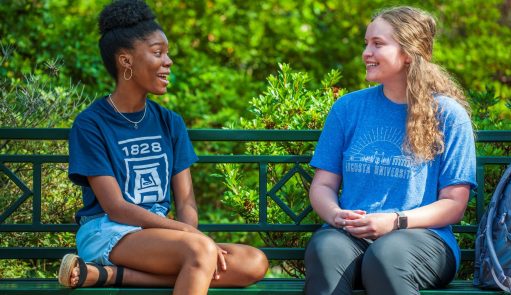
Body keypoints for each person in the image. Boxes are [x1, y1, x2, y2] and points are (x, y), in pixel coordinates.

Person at [57, 1, 268, 294]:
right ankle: (115, 268)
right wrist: (189, 236)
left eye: (167, 53)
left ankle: (108, 275)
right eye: (158, 53)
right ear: (126, 61)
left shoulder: (170, 122)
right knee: (199, 254)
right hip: (108, 231)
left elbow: (186, 203)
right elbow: (116, 207)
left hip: (162, 235)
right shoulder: (91, 124)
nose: (168, 61)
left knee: (253, 262)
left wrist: (189, 232)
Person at [304, 6, 477, 295]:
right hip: (351, 236)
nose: (366, 53)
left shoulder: (448, 115)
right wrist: (336, 215)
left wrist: (395, 221)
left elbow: (454, 204)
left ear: (408, 53)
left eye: (378, 44)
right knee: (325, 248)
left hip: (422, 238)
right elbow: (323, 184)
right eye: (366, 43)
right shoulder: (348, 108)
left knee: (386, 256)